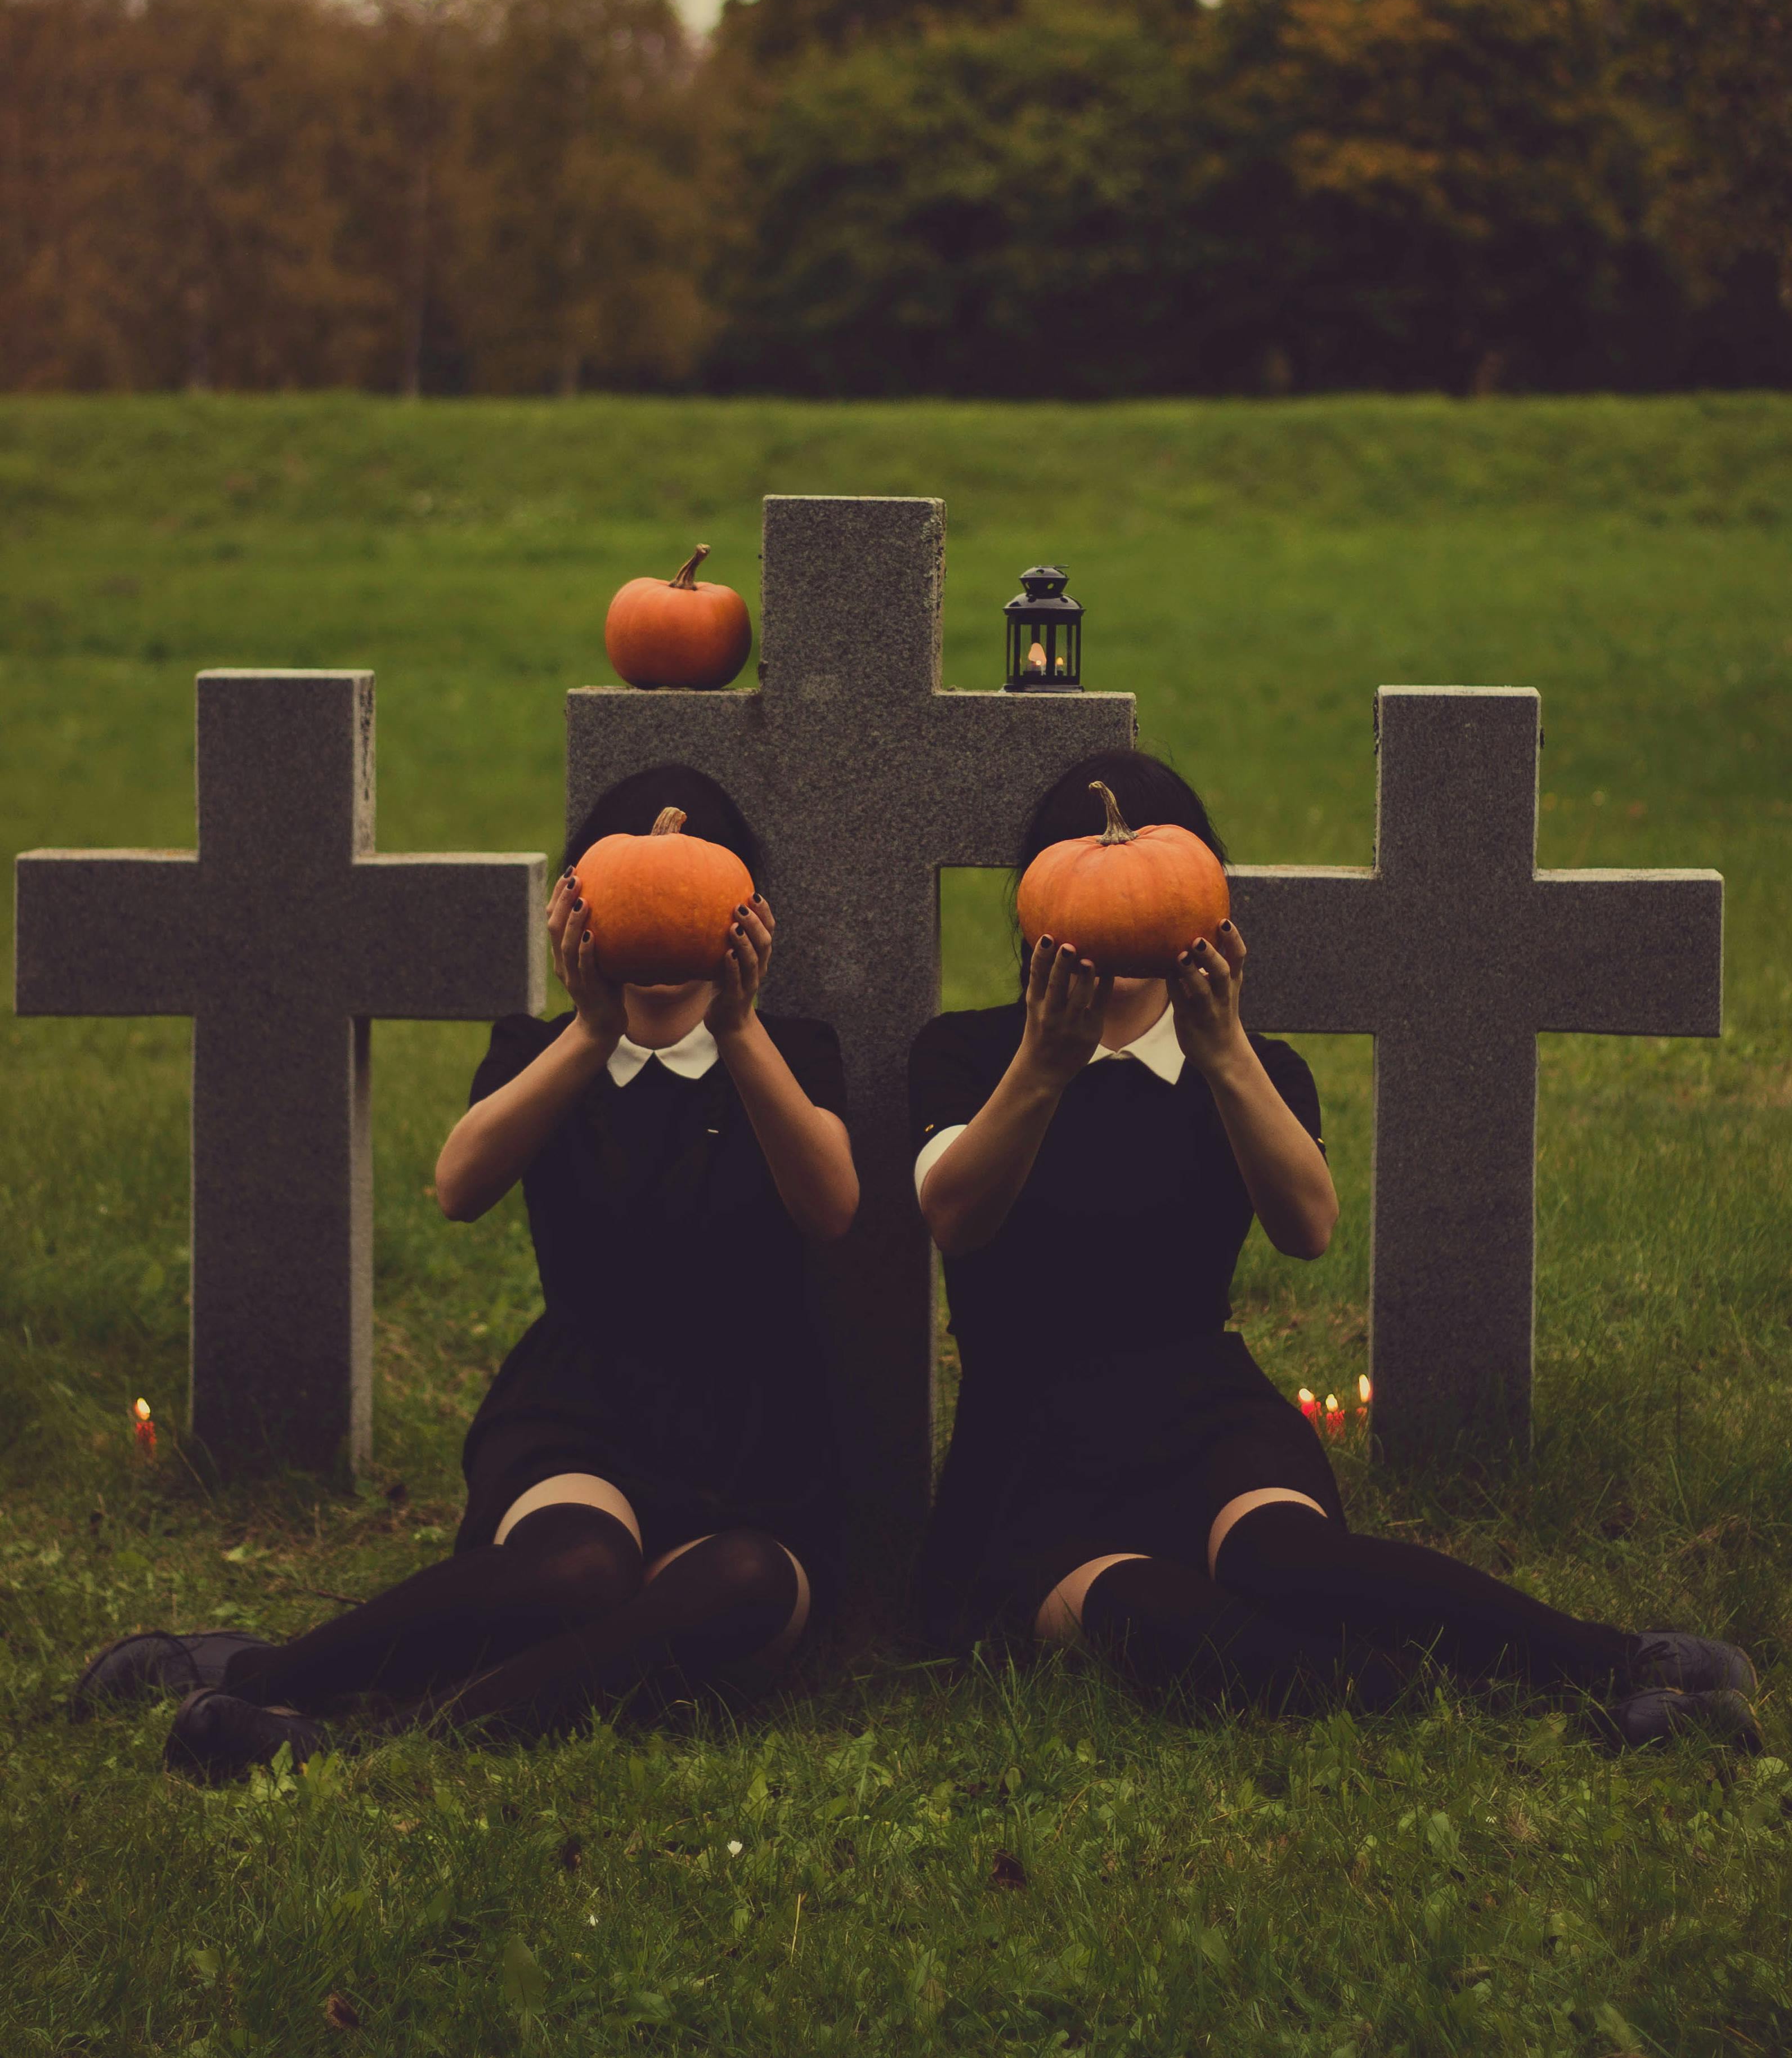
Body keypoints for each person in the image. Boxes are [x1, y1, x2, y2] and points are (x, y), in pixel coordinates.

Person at [910, 750, 1758, 1750]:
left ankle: (1615, 1662)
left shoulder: (1250, 1065)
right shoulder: (967, 1055)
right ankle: (1509, 1717)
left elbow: (1308, 1229)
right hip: (1032, 1453)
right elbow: (956, 1217)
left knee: (1288, 1564)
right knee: (1161, 1617)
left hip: (1202, 1411)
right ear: (1039, 905)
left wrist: (1222, 1048)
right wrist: (1044, 1067)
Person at [75, 764, 858, 1777]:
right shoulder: (546, 1049)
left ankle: (389, 1743)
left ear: (742, 925)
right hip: (586, 1409)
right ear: (582, 920)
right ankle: (264, 1671)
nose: (662, 949)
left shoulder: (788, 1047)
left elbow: (830, 1206)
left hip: (759, 1438)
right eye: (633, 916)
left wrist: (741, 1028)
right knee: (579, 1571)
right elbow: (459, 1183)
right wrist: (590, 1028)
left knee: (743, 1583)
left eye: (690, 918)